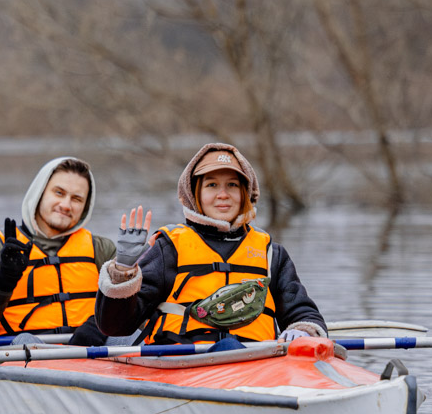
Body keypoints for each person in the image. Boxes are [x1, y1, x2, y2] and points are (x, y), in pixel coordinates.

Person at [95, 142, 326, 346]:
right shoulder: (169, 248)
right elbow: (116, 327)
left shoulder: (271, 253)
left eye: (233, 185)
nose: (223, 194)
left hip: (256, 362)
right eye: (212, 185)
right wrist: (123, 273)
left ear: (245, 192)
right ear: (195, 194)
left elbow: (302, 310)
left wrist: (302, 328)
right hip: (184, 362)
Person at [0, 156, 116, 346]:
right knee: (25, 341)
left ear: (86, 207)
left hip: (91, 353)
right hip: (20, 356)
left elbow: (131, 309)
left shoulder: (102, 250)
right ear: (40, 193)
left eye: (77, 199)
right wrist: (3, 280)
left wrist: (98, 325)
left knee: (126, 338)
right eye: (59, 193)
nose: (66, 205)